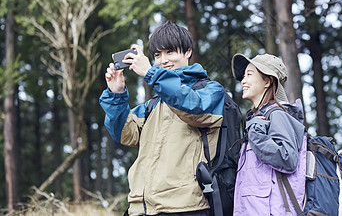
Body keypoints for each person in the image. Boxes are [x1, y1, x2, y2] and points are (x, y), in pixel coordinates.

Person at [99, 21, 225, 216]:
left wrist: (151, 73)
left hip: (186, 207)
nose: (163, 60)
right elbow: (125, 135)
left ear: (188, 52)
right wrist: (117, 94)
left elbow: (195, 110)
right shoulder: (153, 104)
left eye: (170, 52)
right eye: (157, 55)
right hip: (141, 208)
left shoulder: (209, 90)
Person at [231, 53, 307, 215]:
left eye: (249, 74)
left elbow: (288, 158)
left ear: (267, 81)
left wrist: (256, 134)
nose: (243, 81)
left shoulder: (277, 115)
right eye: (243, 76)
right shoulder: (258, 119)